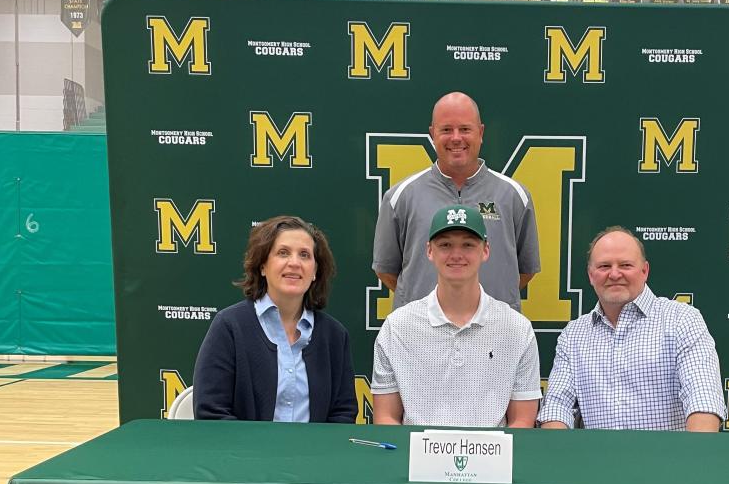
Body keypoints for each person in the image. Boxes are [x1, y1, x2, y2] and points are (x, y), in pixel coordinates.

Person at [538, 226, 726, 432]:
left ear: (645, 271)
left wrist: (692, 460)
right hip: (597, 462)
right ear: (591, 275)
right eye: (604, 266)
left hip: (670, 462)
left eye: (626, 265)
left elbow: (703, 399)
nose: (615, 273)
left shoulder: (682, 320)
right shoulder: (573, 335)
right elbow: (557, 408)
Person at [371, 205, 541, 428]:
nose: (456, 255)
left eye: (468, 245)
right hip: (417, 460)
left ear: (485, 250)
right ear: (429, 251)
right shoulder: (397, 327)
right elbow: (386, 418)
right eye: (445, 245)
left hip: (492, 460)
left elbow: (522, 421)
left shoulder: (517, 329)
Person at [372, 91, 540, 310]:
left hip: (494, 333)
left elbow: (525, 270)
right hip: (421, 335)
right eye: (446, 130)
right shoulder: (400, 196)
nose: (456, 138)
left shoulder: (515, 195)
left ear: (480, 133)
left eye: (465, 129)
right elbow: (386, 270)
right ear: (432, 134)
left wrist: (483, 307)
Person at [194, 215, 356, 422]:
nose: (295, 263)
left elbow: (343, 413)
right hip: (244, 453)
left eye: (305, 255)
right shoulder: (229, 327)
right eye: (283, 253)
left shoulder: (334, 335)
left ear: (315, 271)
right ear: (262, 266)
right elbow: (211, 412)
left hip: (314, 453)